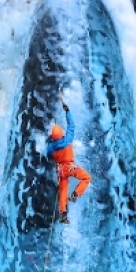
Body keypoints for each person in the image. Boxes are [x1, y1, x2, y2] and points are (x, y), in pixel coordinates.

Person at [47, 90, 92, 224]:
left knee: (62, 190)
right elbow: (72, 126)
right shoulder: (67, 139)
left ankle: (63, 215)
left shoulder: (51, 147)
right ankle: (75, 194)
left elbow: (49, 157)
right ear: (61, 134)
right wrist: (67, 111)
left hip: (60, 169)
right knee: (87, 177)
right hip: (69, 167)